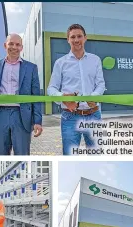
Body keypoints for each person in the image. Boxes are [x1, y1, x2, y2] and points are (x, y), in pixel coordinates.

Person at [0, 33, 43, 155]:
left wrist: (38, 121)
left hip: (21, 116)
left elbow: (35, 96)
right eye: (11, 44)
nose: (14, 47)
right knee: (0, 154)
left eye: (17, 44)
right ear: (5, 45)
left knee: (22, 155)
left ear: (21, 47)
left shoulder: (31, 68)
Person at [47, 24, 106, 155]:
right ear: (68, 40)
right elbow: (51, 88)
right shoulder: (60, 63)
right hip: (70, 117)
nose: (76, 40)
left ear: (85, 38)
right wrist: (63, 98)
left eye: (79, 36)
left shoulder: (95, 60)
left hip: (93, 115)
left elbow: (101, 84)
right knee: (69, 156)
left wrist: (94, 96)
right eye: (72, 37)